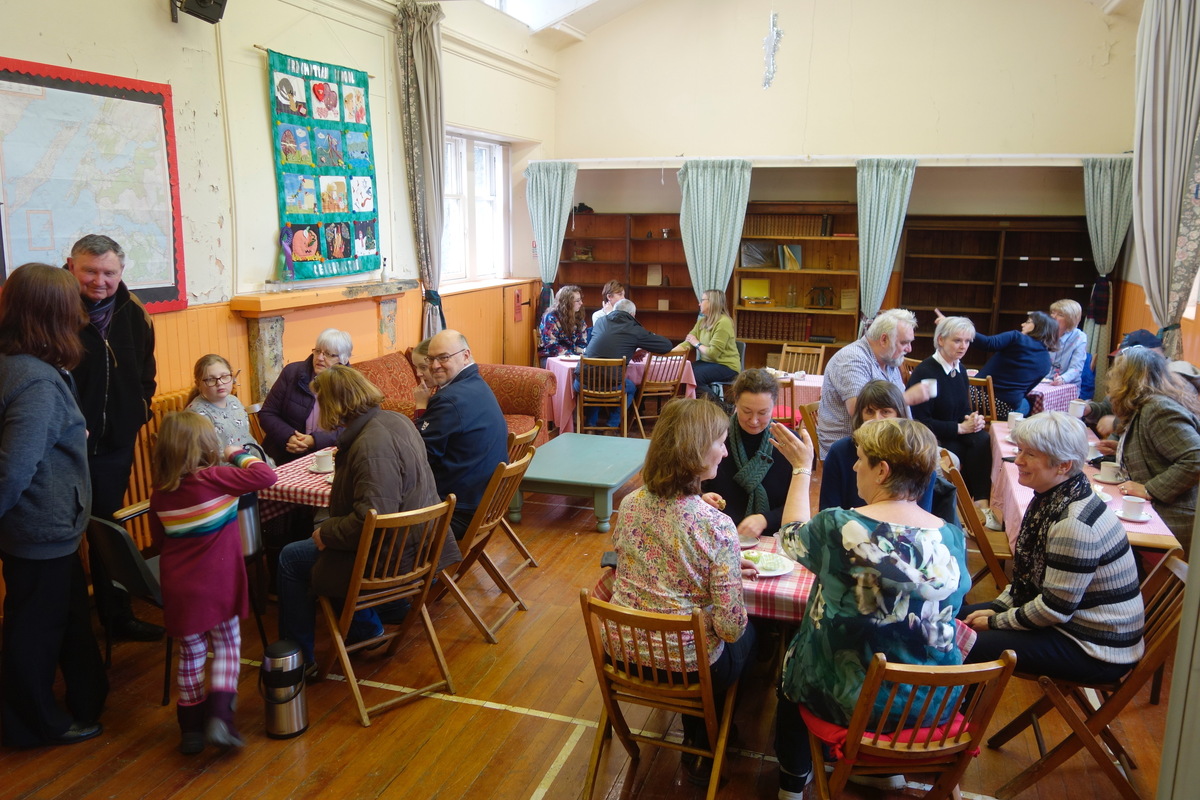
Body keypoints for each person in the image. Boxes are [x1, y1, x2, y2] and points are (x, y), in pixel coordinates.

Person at [774, 418, 969, 797]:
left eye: (860, 459)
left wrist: (801, 469)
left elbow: (789, 537)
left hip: (853, 703)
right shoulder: (952, 536)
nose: (852, 466)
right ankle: (880, 771)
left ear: (882, 470)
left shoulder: (841, 527)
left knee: (792, 666)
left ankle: (792, 784)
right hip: (928, 704)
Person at [608, 399, 787, 784]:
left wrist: (712, 566)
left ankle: (699, 728)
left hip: (622, 654)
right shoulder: (717, 526)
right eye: (720, 442)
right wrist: (723, 572)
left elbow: (645, 562)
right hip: (686, 667)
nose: (725, 450)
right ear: (694, 450)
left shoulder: (630, 505)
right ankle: (710, 732)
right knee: (752, 634)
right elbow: (730, 628)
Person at [277, 366, 462, 671]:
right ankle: (367, 627)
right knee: (319, 542)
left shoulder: (368, 445)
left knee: (290, 558)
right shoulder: (396, 420)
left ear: (334, 404)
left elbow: (371, 520)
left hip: (389, 560)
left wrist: (327, 533)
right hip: (419, 549)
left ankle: (298, 663)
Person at [0, 263, 109, 749]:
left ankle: (81, 703)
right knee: (35, 634)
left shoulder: (18, 364)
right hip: (39, 529)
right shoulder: (37, 381)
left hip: (46, 529)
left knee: (61, 620)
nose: (80, 317)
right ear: (50, 316)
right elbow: (13, 469)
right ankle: (34, 724)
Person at [961, 412, 1144, 683]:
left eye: (1030, 454)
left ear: (1063, 465)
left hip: (1097, 649)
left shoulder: (1074, 524)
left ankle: (957, 719)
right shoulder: (1055, 497)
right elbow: (1028, 581)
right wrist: (999, 607)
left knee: (968, 642)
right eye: (1020, 450)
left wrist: (995, 620)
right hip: (1073, 625)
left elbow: (1053, 609)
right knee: (954, 618)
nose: (1018, 460)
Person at [149, 411, 277, 754]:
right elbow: (265, 475)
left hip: (179, 587)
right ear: (208, 446)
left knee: (191, 655)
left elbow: (160, 541)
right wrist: (235, 453)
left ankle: (190, 730)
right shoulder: (218, 478)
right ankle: (220, 715)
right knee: (228, 648)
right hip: (219, 582)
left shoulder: (160, 493)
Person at [66, 234, 161, 642]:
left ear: (121, 272)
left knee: (107, 535)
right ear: (71, 266)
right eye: (90, 270)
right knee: (64, 539)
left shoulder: (133, 310)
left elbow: (145, 371)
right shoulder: (54, 309)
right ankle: (72, 632)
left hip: (114, 448)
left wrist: (139, 412)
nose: (99, 281)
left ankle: (116, 616)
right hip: (63, 450)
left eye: (108, 272)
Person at [1105, 347, 1200, 550]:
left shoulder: (1157, 408)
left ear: (1128, 378)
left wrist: (1150, 489)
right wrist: (1121, 448)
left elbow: (1195, 458)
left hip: (1173, 516)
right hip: (1155, 510)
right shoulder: (1147, 405)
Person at [418, 330, 509, 539]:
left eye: (443, 357)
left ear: (466, 355)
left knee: (374, 524)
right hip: (487, 504)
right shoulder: (477, 384)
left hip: (458, 511)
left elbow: (421, 456)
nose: (435, 365)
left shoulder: (449, 399)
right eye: (431, 359)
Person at [817, 308, 931, 458]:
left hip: (883, 441)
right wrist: (906, 399)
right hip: (851, 447)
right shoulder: (852, 359)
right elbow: (859, 409)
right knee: (937, 465)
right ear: (884, 339)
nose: (909, 349)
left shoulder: (890, 361)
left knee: (936, 457)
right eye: (904, 342)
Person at [701, 369, 798, 540]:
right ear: (735, 401)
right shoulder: (715, 438)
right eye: (746, 411)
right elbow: (692, 490)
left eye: (763, 413)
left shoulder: (790, 444)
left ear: (774, 405)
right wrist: (703, 498)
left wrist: (765, 519)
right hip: (719, 534)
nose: (754, 421)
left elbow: (797, 506)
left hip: (772, 536)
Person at [907, 315, 991, 503]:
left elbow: (962, 408)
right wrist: (961, 428)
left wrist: (972, 418)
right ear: (941, 340)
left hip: (952, 431)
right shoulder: (928, 373)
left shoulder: (959, 369)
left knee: (983, 438)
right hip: (931, 437)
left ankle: (978, 501)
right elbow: (922, 422)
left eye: (967, 341)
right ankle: (966, 503)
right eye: (957, 340)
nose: (964, 346)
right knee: (972, 448)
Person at [821, 380, 937, 513]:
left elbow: (922, 514)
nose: (876, 419)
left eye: (886, 412)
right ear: (860, 416)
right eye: (869, 411)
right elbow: (828, 511)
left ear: (899, 415)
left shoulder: (917, 455)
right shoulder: (841, 451)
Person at [258, 328, 352, 464]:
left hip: (330, 457)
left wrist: (314, 441)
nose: (320, 358)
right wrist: (289, 436)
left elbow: (355, 427)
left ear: (343, 359)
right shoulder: (292, 373)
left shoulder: (352, 384)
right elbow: (267, 413)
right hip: (283, 453)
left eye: (328, 354)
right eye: (318, 351)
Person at [581, 299, 676, 428]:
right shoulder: (634, 329)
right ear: (632, 315)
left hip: (582, 382)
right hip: (612, 384)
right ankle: (612, 425)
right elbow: (666, 345)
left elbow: (609, 346)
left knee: (596, 381)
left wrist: (631, 352)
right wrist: (644, 347)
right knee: (630, 387)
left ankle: (590, 425)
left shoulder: (600, 322)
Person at [970, 310, 1059, 419]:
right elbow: (1026, 390)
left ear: (1038, 327)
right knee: (1027, 404)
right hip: (1002, 411)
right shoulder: (1047, 363)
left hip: (973, 399)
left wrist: (962, 330)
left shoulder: (1017, 337)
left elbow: (987, 343)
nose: (1023, 324)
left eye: (1028, 322)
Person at [185, 354, 259, 459]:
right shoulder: (197, 415)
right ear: (198, 384)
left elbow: (248, 440)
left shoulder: (234, 401)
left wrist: (267, 464)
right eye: (211, 379)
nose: (219, 383)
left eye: (224, 377)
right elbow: (211, 458)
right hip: (226, 471)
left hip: (249, 464)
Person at [679, 290, 741, 401]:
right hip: (708, 363)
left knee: (695, 376)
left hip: (726, 366)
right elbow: (688, 342)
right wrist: (668, 354)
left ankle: (720, 409)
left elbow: (713, 354)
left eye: (702, 300)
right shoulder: (702, 321)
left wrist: (697, 343)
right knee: (683, 370)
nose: (699, 304)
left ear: (712, 302)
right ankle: (691, 409)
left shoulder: (724, 322)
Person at [537, 285, 587, 364]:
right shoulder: (551, 317)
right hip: (550, 357)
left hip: (574, 357)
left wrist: (578, 356)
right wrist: (571, 356)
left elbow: (582, 342)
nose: (581, 303)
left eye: (580, 299)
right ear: (567, 302)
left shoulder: (578, 317)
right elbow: (551, 346)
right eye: (577, 300)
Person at [1046, 299, 1088, 385]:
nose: (1053, 317)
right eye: (1053, 313)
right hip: (1043, 381)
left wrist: (1062, 379)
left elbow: (1076, 368)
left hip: (1066, 384)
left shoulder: (1079, 337)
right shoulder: (1044, 332)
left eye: (1060, 315)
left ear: (1070, 319)